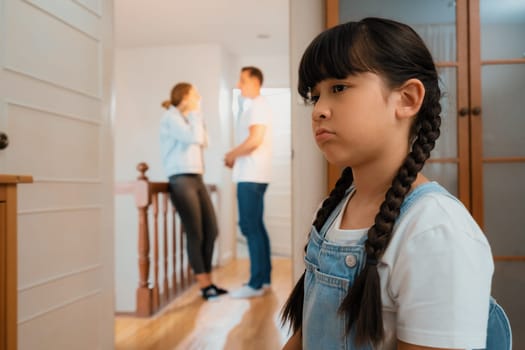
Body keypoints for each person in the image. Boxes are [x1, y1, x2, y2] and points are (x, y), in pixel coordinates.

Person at [281, 18, 498, 349]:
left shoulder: (436, 231)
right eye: (314, 96)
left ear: (408, 99)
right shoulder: (335, 210)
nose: (319, 110)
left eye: (339, 88)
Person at [160, 82, 227, 300]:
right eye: (195, 94)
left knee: (212, 230)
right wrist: (197, 114)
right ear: (185, 96)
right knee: (195, 232)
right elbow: (195, 139)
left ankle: (208, 281)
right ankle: (204, 285)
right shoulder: (171, 117)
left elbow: (204, 141)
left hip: (197, 177)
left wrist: (196, 117)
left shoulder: (190, 118)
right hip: (180, 178)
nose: (199, 97)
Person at [225, 67, 273, 298]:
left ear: (255, 81)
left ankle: (255, 284)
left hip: (251, 176)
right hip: (254, 175)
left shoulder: (257, 106)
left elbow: (255, 140)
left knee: (250, 227)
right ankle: (263, 280)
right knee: (257, 227)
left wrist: (232, 154)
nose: (239, 84)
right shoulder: (256, 106)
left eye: (242, 80)